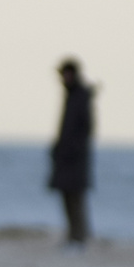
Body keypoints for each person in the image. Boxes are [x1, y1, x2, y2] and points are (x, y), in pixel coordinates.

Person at [47, 57, 95, 247]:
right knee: (67, 197)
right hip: (66, 157)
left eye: (66, 74)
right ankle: (73, 236)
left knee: (76, 198)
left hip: (75, 158)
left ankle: (79, 237)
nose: (63, 78)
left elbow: (85, 129)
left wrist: (71, 150)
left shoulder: (80, 96)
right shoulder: (71, 95)